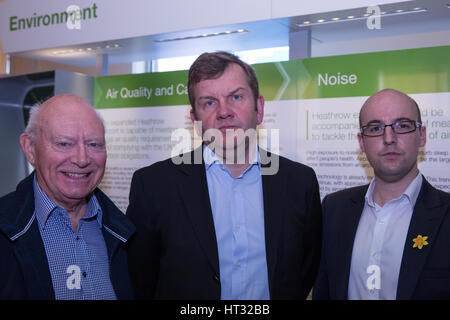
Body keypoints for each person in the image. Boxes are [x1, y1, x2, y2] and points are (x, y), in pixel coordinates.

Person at [127, 51, 322, 300]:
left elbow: (304, 272)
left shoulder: (299, 182)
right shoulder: (153, 186)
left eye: (236, 97)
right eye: (209, 102)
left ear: (259, 108)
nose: (224, 112)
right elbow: (141, 281)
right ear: (194, 119)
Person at [313, 88, 450, 300]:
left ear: (421, 135)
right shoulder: (334, 208)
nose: (389, 138)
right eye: (375, 128)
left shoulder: (446, 215)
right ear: (362, 142)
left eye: (402, 126)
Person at [0, 94, 135, 299]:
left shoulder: (126, 234)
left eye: (94, 144)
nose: (82, 159)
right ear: (30, 149)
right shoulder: (5, 228)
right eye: (64, 144)